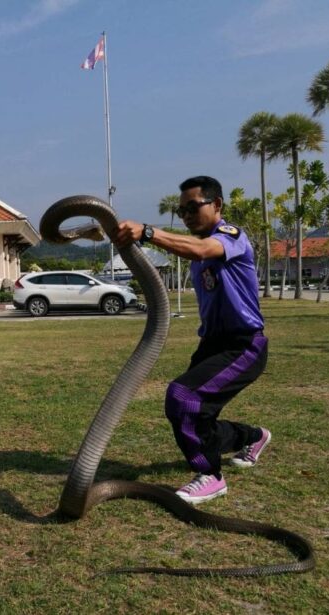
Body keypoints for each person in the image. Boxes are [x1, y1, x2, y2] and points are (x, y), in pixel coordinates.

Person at [114, 175, 271, 505]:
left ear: (216, 205)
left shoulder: (232, 236)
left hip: (243, 345)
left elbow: (202, 250)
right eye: (181, 209)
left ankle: (211, 476)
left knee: (182, 396)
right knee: (198, 416)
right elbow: (193, 249)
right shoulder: (198, 248)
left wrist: (149, 232)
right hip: (211, 343)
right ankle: (254, 437)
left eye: (192, 207)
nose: (185, 214)